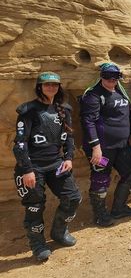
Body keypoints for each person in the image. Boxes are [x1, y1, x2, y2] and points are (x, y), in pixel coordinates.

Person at [12, 72, 82, 262]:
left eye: (55, 84)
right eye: (47, 84)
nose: (51, 88)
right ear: (39, 87)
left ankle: (59, 232)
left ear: (59, 87)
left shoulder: (64, 109)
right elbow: (20, 144)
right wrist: (27, 169)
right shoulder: (28, 110)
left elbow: (69, 137)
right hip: (33, 167)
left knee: (73, 198)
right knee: (35, 206)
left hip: (56, 164)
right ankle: (37, 244)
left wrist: (68, 158)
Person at [80, 63, 131, 227]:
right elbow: (88, 122)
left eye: (115, 77)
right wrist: (95, 147)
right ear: (101, 76)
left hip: (122, 147)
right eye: (108, 77)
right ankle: (100, 215)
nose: (112, 80)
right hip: (103, 149)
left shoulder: (120, 91)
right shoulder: (93, 95)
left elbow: (128, 113)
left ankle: (119, 208)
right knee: (100, 179)